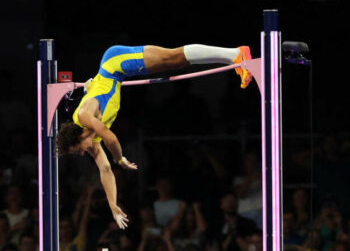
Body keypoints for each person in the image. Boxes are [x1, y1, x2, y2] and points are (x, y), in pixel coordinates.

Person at [55, 44, 253, 229]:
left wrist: (120, 159)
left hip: (115, 63)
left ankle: (235, 54)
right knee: (175, 62)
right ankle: (233, 57)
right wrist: (113, 205)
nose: (82, 153)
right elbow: (105, 171)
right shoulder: (91, 142)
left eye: (78, 149)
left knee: (173, 58)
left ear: (78, 136)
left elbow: (111, 138)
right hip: (119, 74)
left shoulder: (84, 116)